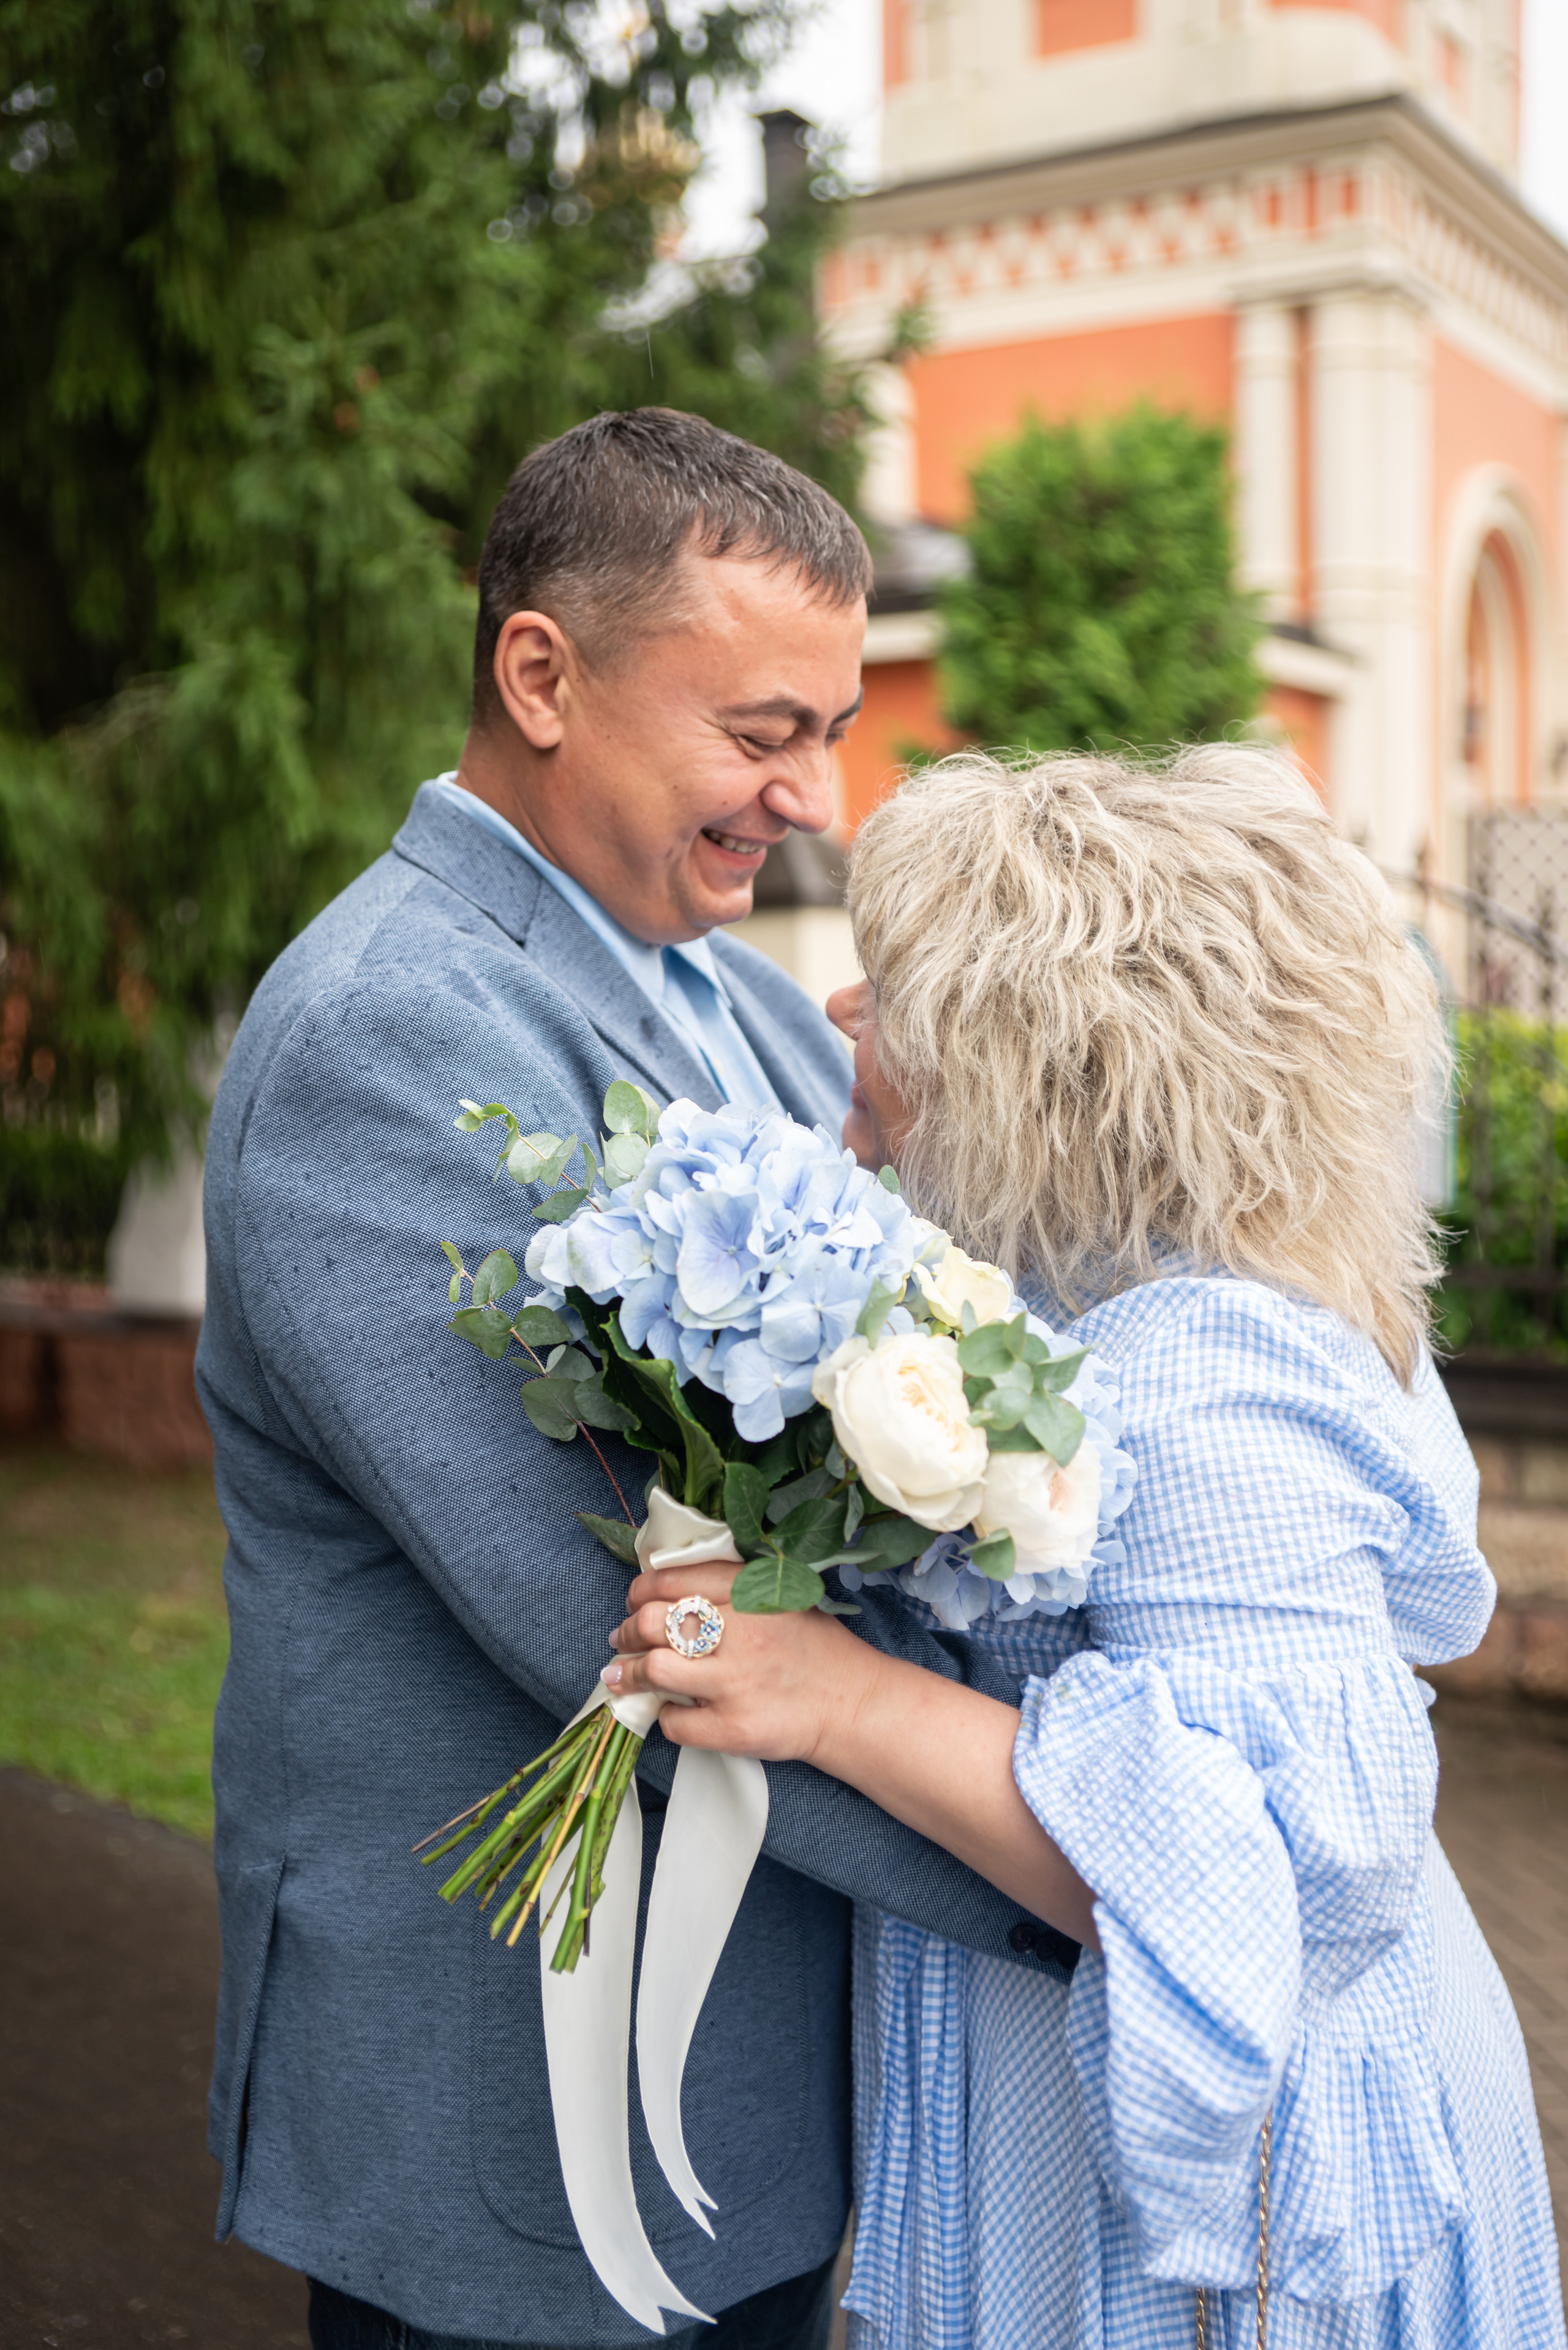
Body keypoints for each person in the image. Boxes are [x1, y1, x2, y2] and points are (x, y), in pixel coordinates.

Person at [196, 410, 1078, 2350]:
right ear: (542, 676)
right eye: (763, 730)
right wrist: (1091, 1876)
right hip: (512, 2107)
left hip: (758, 2086)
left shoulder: (752, 1000)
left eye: (832, 732)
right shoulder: (380, 1038)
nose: (813, 797)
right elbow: (620, 1625)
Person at [607, 747, 1567, 2349]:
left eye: (895, 994)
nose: (839, 1012)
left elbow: (1267, 1885)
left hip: (1230, 2222)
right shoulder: (1089, 1292)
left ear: (1033, 1061)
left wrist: (833, 1696)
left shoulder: (1208, 1361)